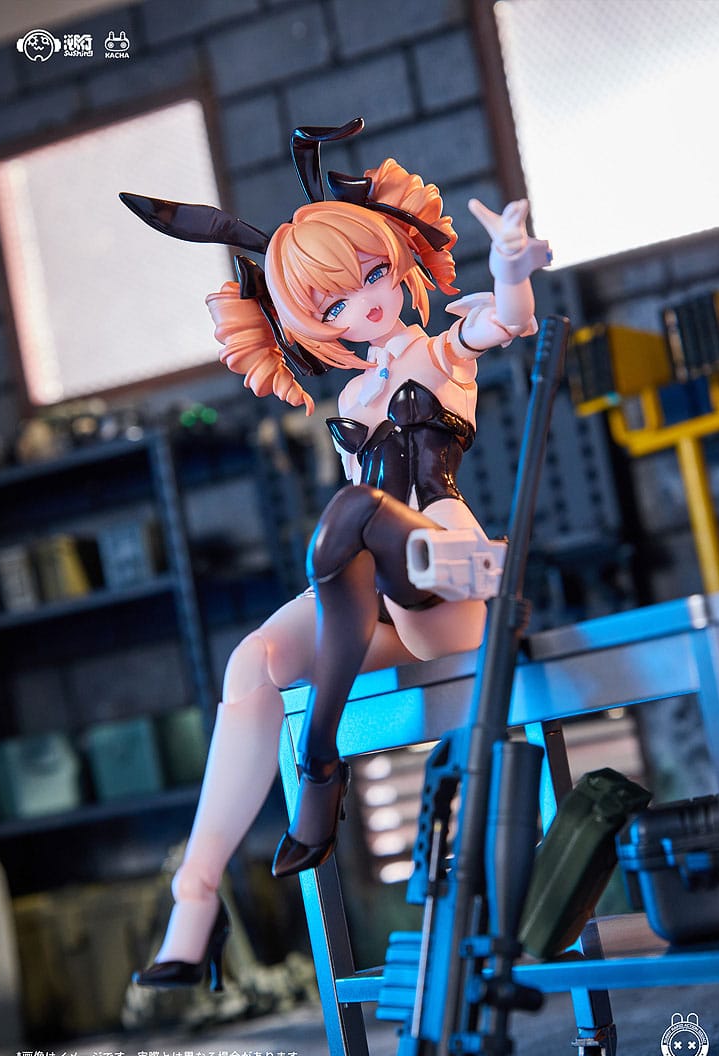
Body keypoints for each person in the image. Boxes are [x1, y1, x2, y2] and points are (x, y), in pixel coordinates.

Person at [122, 119, 550, 988]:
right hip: (381, 604)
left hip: (450, 573)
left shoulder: (441, 356)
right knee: (253, 660)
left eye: (374, 275)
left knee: (356, 507)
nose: (368, 302)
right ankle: (194, 900)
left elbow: (508, 322)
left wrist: (510, 269)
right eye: (335, 304)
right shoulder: (350, 400)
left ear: (395, 258)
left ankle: (319, 768)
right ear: (310, 325)